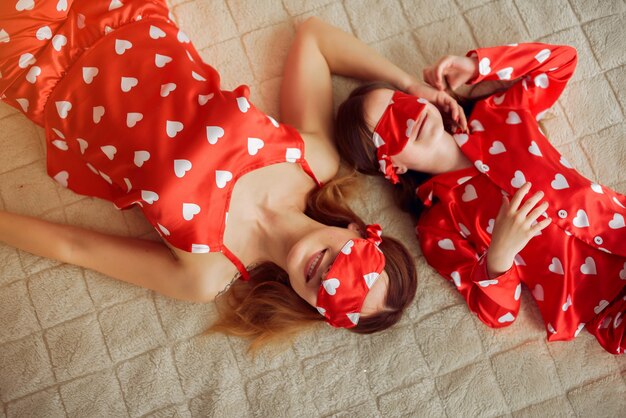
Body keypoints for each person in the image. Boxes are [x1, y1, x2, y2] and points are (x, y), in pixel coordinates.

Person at [0, 1, 468, 347]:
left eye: (339, 300)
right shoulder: (312, 160)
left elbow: (75, 247)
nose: (328, 277)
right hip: (126, 13)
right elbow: (315, 39)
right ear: (358, 230)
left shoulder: (203, 274)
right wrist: (412, 87)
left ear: (318, 312)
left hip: (39, 68)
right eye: (354, 271)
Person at [335, 41, 626, 354]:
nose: (407, 119)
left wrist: (477, 67)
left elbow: (561, 61)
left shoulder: (501, 112)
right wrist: (499, 255)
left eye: (401, 102)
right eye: (387, 130)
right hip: (603, 306)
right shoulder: (438, 226)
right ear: (393, 166)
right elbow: (498, 314)